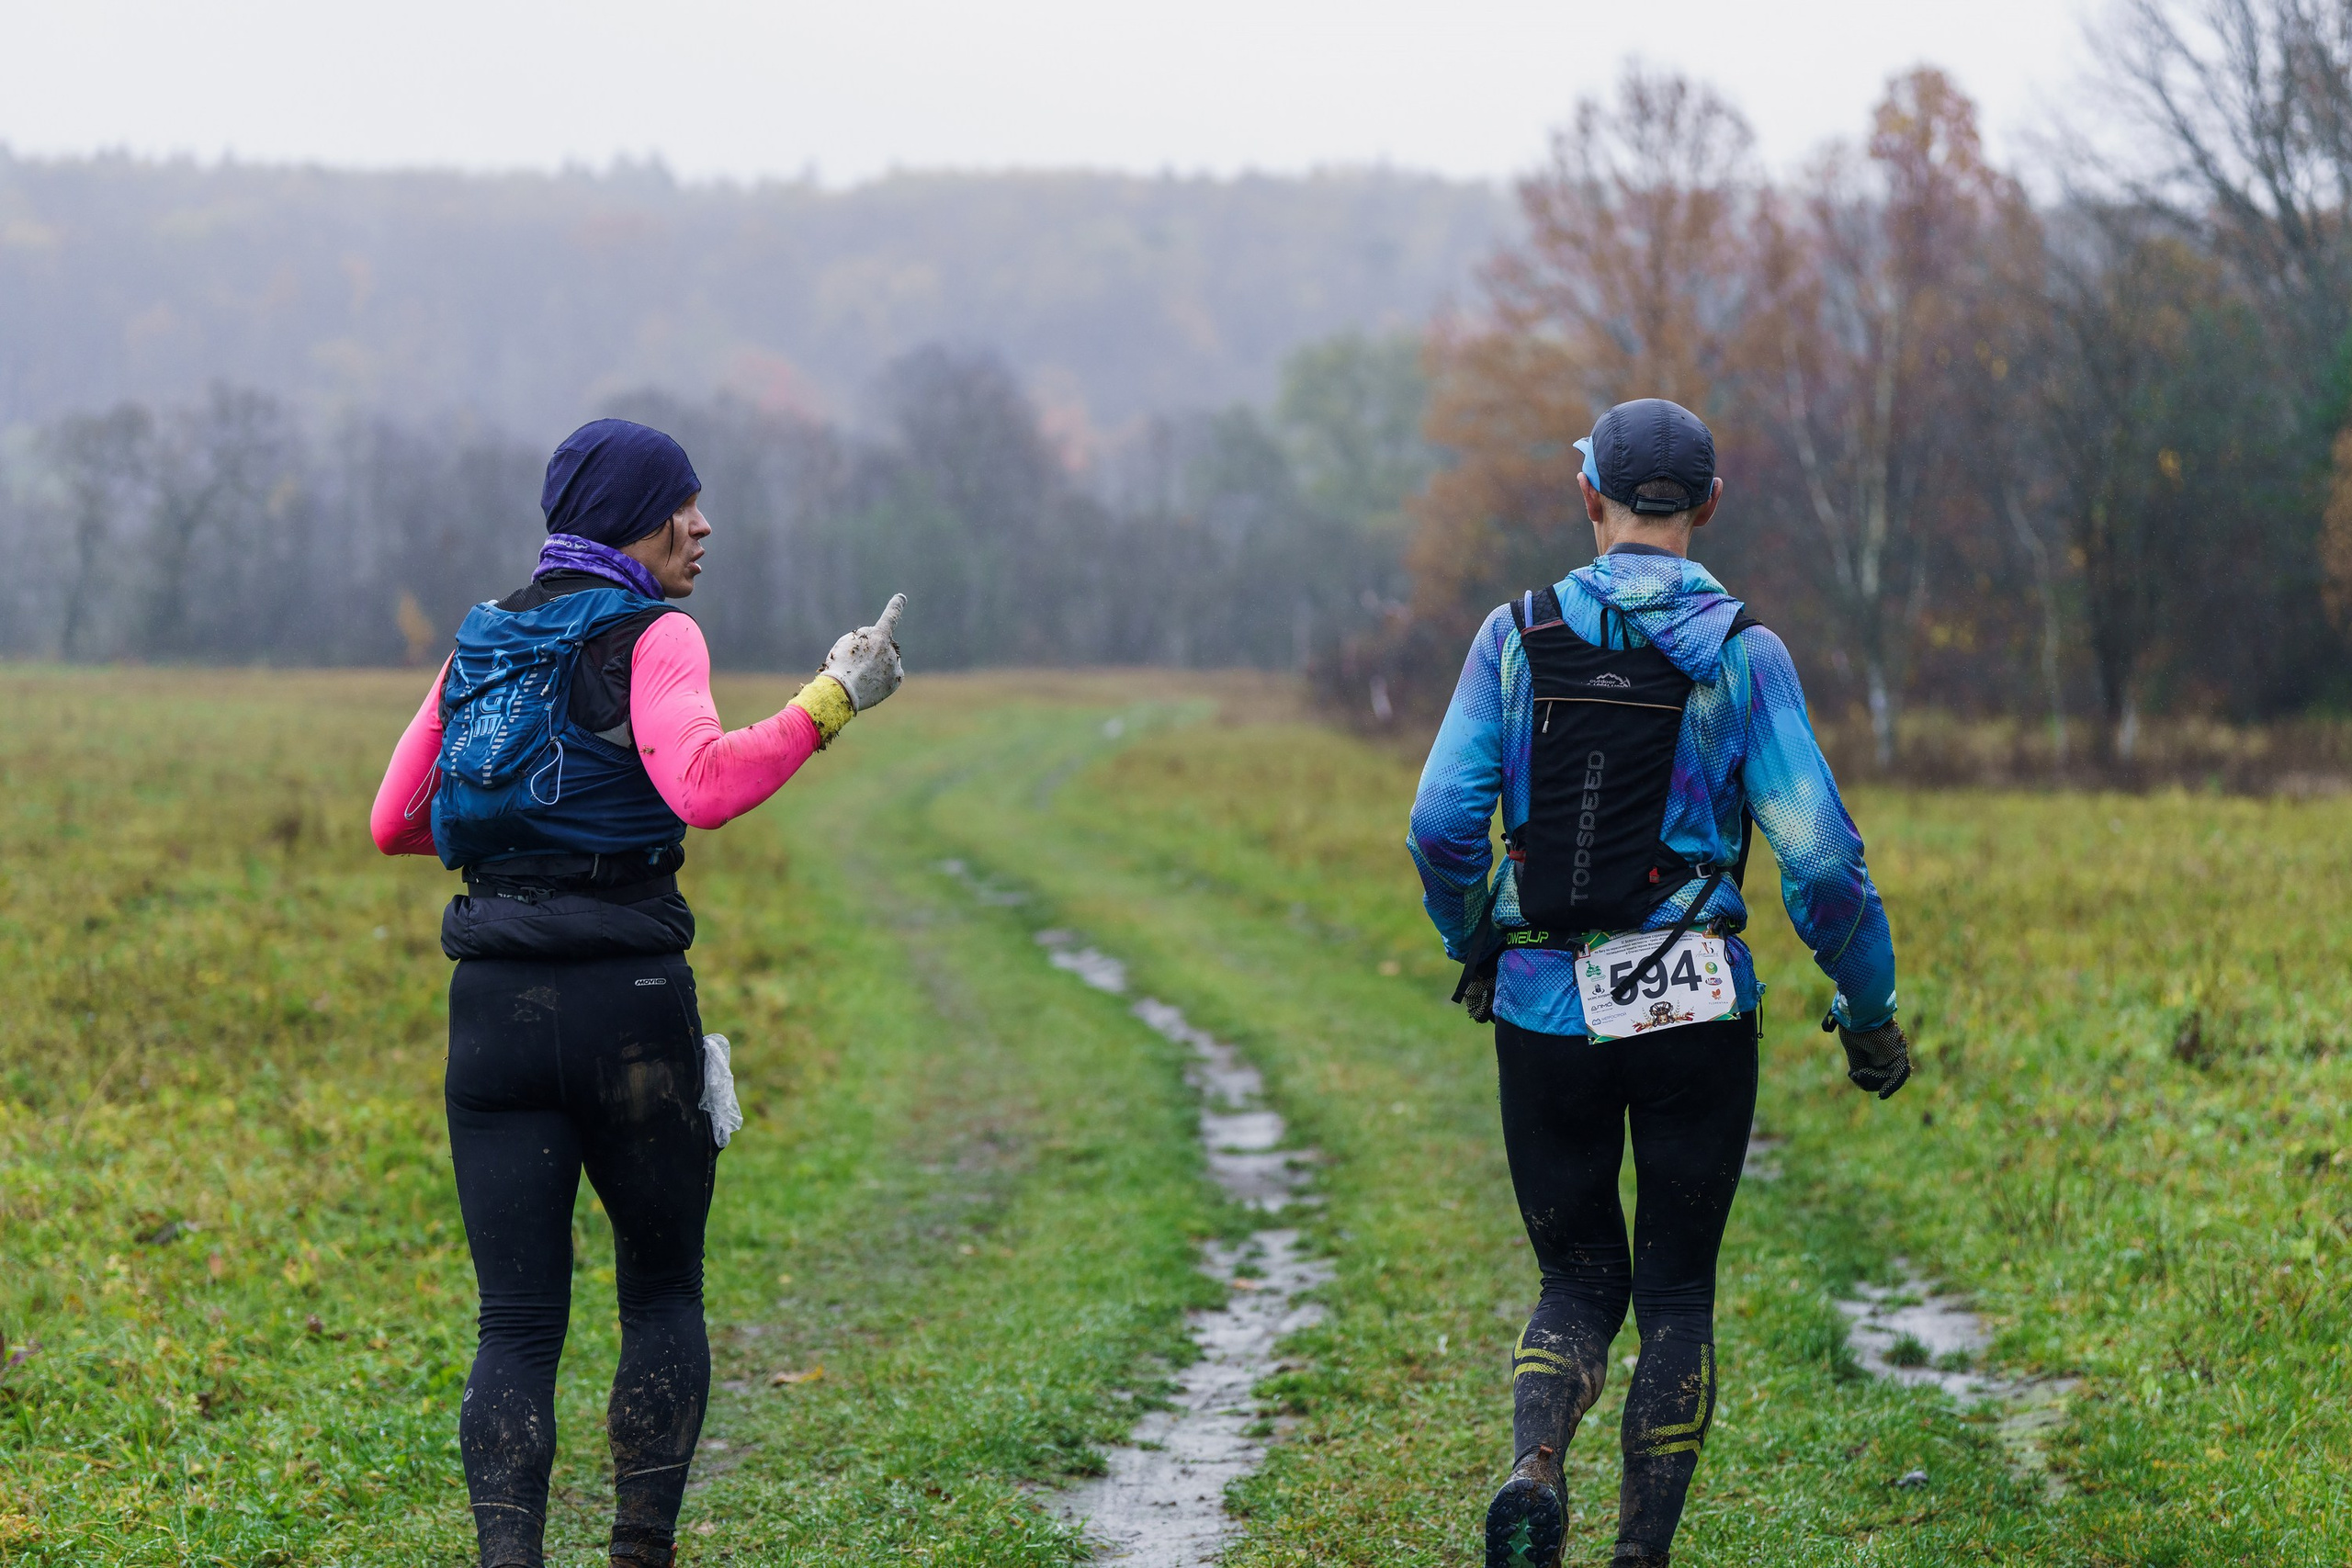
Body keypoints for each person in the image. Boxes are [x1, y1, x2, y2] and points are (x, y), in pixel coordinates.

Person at [369, 418, 906, 1568]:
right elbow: (703, 787)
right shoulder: (655, 635)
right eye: (683, 506)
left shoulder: (481, 641)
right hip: (632, 1008)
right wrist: (831, 700)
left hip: (491, 1017)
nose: (703, 526)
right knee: (659, 1297)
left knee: (514, 1325)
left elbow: (392, 820)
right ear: (632, 519)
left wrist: (525, 851)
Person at [1408, 399, 1908, 1568]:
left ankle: (1535, 1466)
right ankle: (1640, 1557)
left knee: (1576, 1275)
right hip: (1697, 1010)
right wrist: (1868, 1011)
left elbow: (1439, 824)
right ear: (1709, 507)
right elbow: (1822, 859)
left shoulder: (1512, 636)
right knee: (1676, 1294)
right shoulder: (1744, 653)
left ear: (1589, 499)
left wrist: (1474, 934)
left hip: (1541, 1003)